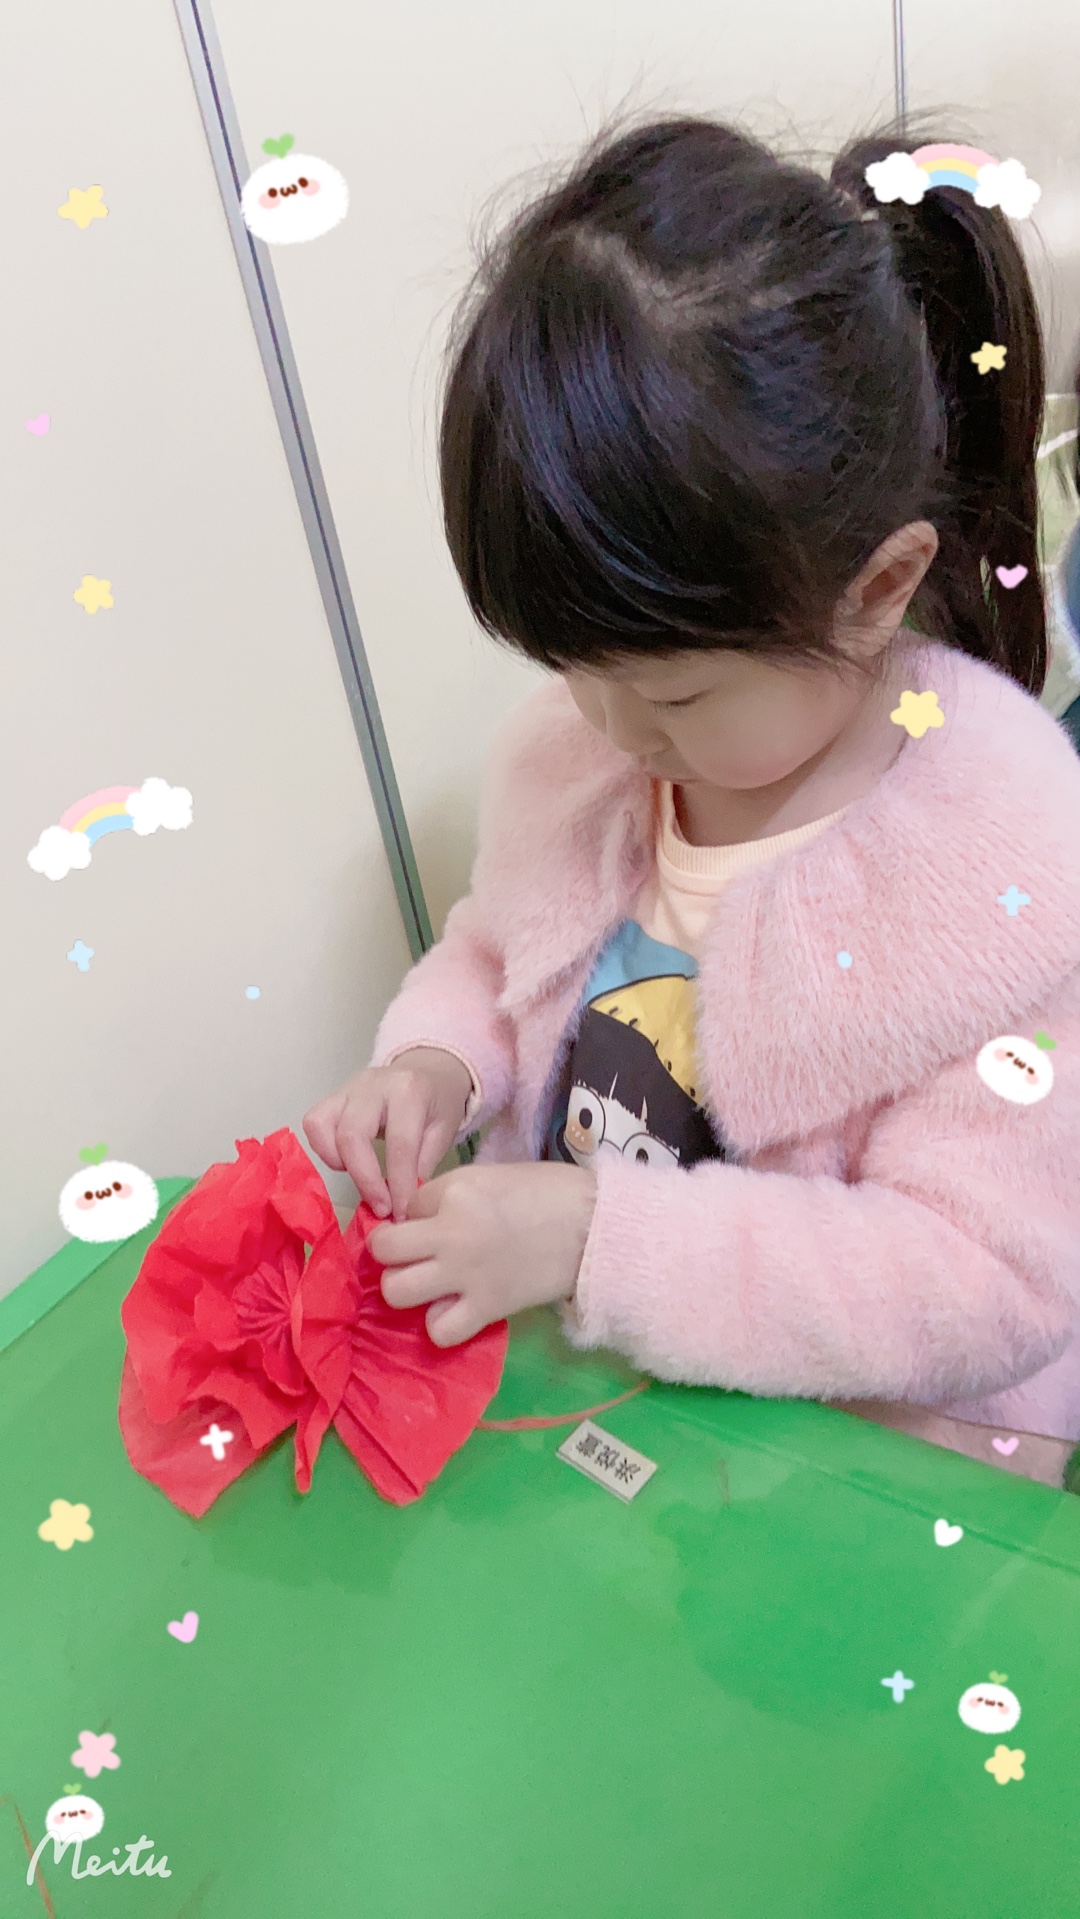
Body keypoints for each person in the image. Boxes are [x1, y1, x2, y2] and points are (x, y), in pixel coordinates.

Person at [304, 117, 1080, 1485]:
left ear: (878, 591)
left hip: (860, 1484)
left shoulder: (1003, 867)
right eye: (573, 670)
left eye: (674, 693)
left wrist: (593, 1238)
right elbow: (501, 950)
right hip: (614, 1425)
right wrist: (438, 1063)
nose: (613, 731)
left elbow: (987, 1280)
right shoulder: (587, 757)